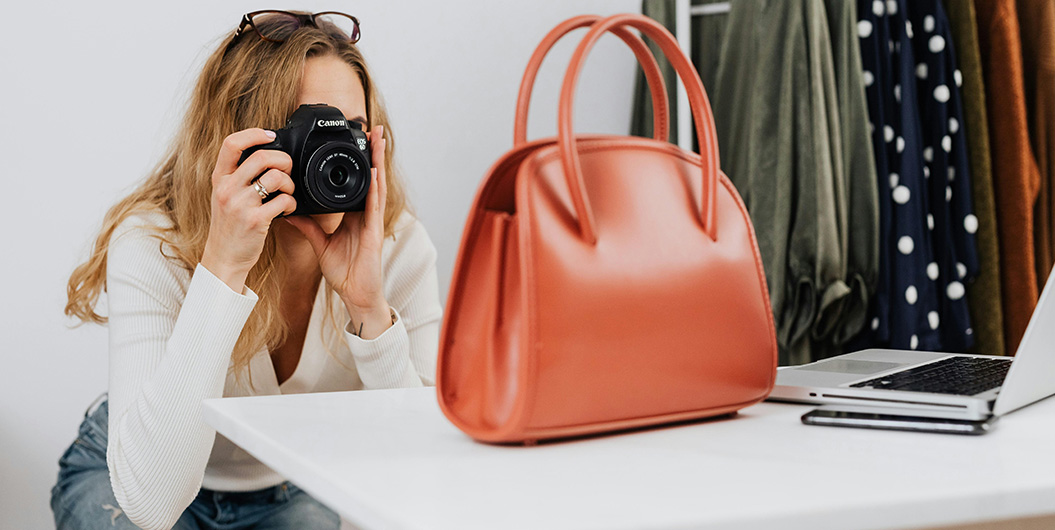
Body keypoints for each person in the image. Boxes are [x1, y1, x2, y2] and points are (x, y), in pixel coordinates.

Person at [51, 10, 442, 530]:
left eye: (348, 130)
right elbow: (150, 503)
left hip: (284, 482)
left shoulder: (396, 245)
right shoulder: (155, 240)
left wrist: (370, 311)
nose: (331, 153)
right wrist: (221, 267)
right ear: (234, 139)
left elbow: (426, 474)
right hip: (129, 465)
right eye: (305, 131)